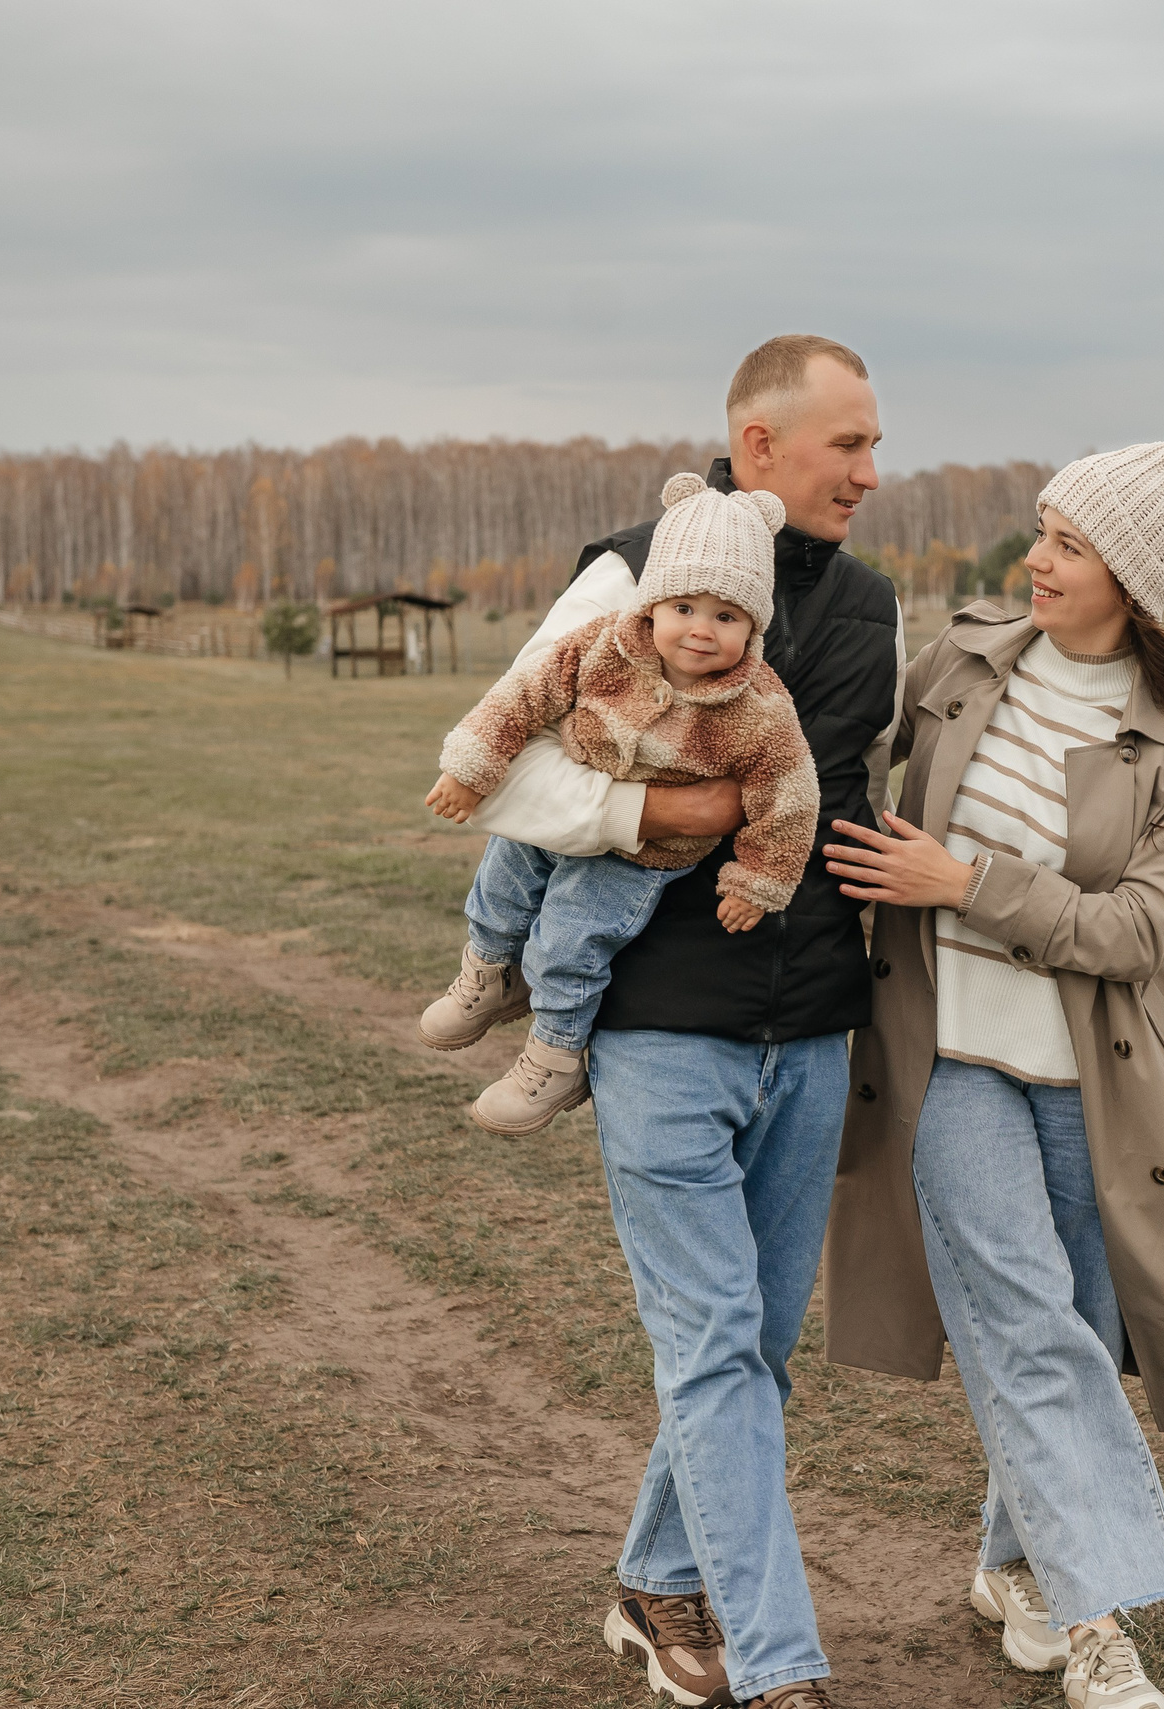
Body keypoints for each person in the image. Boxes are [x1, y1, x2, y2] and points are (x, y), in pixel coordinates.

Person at [818, 443, 1164, 1709]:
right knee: (1025, 1330)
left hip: (1097, 1084)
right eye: (1040, 530)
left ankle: (1013, 1565)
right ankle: (1098, 1622)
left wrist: (965, 885)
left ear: (1129, 574)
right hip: (946, 1057)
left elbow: (1136, 931)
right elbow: (844, 764)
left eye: (1068, 543)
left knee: (1068, 1335)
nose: (1036, 558)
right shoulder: (961, 660)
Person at [457, 335, 901, 1709]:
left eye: (876, 445)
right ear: (757, 445)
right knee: (714, 1346)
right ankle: (777, 1667)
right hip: (658, 1029)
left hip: (812, 1027)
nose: (872, 474)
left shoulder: (874, 602)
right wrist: (673, 809)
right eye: (850, 445)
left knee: (753, 1348)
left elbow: (824, 788)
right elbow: (521, 776)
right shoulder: (624, 573)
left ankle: (656, 1583)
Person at [417, 474, 820, 1136]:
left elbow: (789, 793)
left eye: (726, 616)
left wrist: (761, 879)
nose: (700, 630)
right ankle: (488, 969)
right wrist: (473, 767)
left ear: (753, 624)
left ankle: (555, 1054)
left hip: (647, 853)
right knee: (503, 873)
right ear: (653, 601)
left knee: (572, 934)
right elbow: (524, 695)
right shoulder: (602, 645)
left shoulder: (759, 707)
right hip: (582, 789)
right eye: (684, 606)